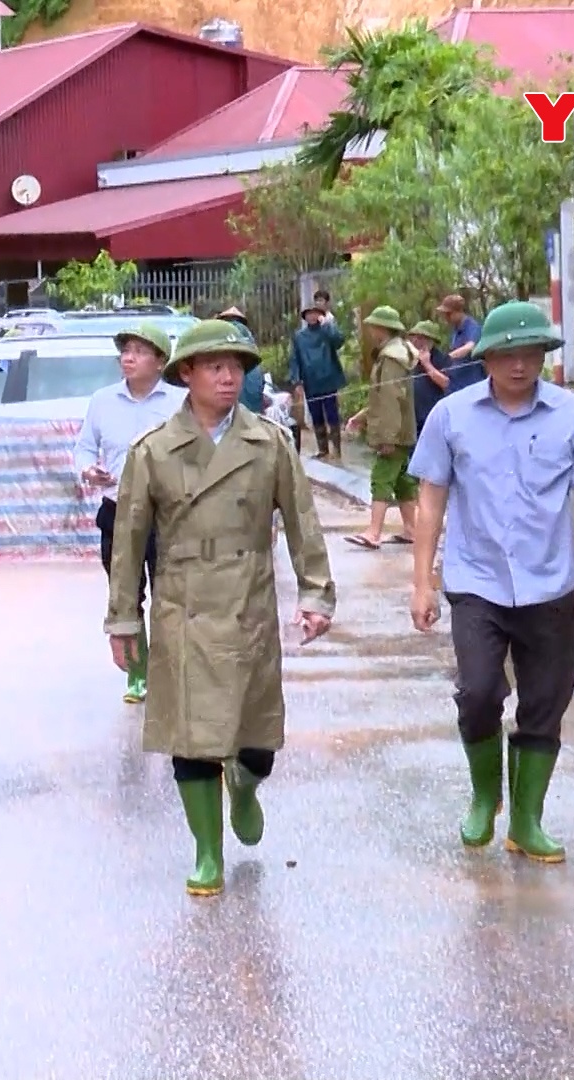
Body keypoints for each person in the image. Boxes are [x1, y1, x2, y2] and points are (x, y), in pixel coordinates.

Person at [105, 319, 337, 898]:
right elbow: (128, 542)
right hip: (182, 604)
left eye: (237, 366)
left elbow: (302, 522)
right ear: (186, 374)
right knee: (191, 738)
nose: (229, 376)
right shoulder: (153, 450)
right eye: (215, 366)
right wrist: (123, 617)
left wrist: (315, 593)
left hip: (248, 599)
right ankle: (207, 851)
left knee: (256, 737)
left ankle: (247, 782)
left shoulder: (269, 443)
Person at [407, 301, 574, 864]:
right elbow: (430, 499)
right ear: (487, 357)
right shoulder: (451, 416)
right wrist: (422, 581)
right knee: (477, 693)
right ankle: (484, 795)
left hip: (550, 584)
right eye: (507, 355)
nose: (520, 365)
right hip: (477, 581)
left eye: (532, 354)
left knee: (545, 704)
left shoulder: (573, 415)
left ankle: (527, 820)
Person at [76, 321, 185, 705]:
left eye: (138, 351)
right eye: (125, 350)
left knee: (170, 594)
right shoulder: (103, 401)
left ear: (159, 361)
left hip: (167, 514)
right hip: (117, 511)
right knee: (126, 594)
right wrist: (89, 470)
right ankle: (138, 673)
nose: (128, 357)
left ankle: (169, 672)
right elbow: (85, 448)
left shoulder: (178, 403)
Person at [344, 306, 419, 550]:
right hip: (402, 430)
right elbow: (384, 395)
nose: (371, 330)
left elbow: (390, 398)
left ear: (382, 328)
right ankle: (412, 530)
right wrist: (362, 416)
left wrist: (387, 437)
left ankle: (373, 533)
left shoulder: (391, 358)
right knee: (403, 481)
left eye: (374, 326)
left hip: (394, 432)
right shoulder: (397, 353)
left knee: (381, 478)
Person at [289, 300, 348, 459]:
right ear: (305, 317)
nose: (312, 316)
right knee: (316, 415)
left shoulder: (326, 332)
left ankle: (337, 449)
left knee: (332, 414)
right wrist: (297, 381)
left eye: (315, 313)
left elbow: (339, 340)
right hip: (310, 381)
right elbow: (295, 359)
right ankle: (323, 449)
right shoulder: (299, 337)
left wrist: (327, 325)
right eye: (309, 313)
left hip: (328, 379)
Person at [436, 295, 487, 395]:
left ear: (459, 312)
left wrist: (449, 356)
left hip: (472, 384)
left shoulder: (472, 326)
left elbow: (470, 346)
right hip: (457, 385)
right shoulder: (455, 330)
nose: (446, 318)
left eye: (449, 314)